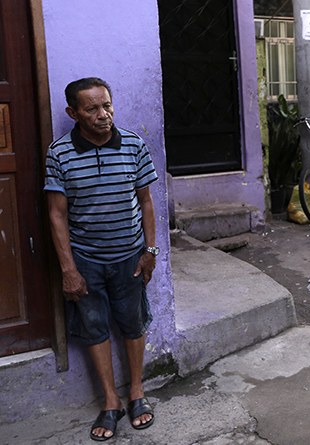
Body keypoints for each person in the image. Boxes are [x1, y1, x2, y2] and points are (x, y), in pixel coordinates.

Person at [45, 77, 159, 441]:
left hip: (130, 258)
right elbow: (57, 215)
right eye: (92, 108)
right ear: (73, 113)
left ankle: (136, 392)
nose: (103, 114)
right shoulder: (60, 153)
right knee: (93, 328)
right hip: (86, 262)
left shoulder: (133, 144)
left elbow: (146, 203)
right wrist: (69, 269)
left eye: (106, 105)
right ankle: (111, 402)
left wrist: (150, 252)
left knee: (133, 323)